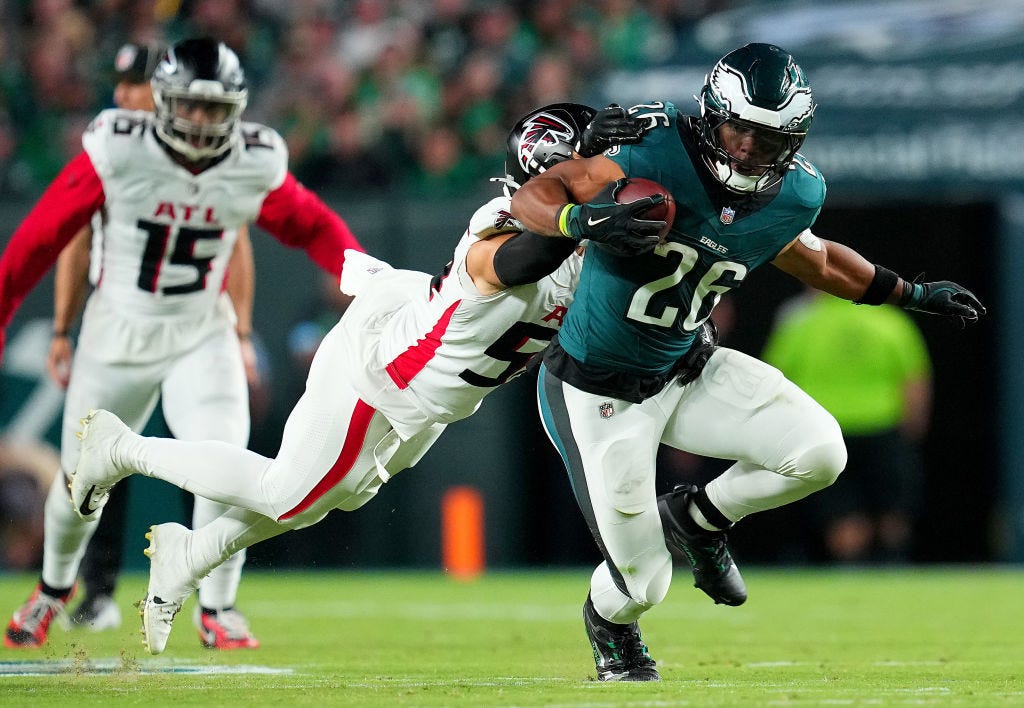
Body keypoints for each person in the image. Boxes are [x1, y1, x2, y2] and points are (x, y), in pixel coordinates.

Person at [65, 102, 643, 656]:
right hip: (385, 372)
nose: (603, 180)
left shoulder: (583, 249)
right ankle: (120, 449)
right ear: (552, 169)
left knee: (327, 497)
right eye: (587, 168)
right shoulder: (506, 227)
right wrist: (587, 219)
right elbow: (522, 261)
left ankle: (186, 558)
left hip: (426, 385)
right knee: (286, 492)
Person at [507, 42, 985, 681]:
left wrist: (911, 292)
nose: (746, 151)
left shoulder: (795, 193)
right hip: (598, 387)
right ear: (710, 116)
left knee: (820, 452)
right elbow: (534, 195)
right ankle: (611, 626)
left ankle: (697, 518)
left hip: (687, 366)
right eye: (737, 131)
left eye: (766, 139)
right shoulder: (651, 149)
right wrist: (580, 220)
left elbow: (815, 261)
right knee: (645, 583)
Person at [0, 37, 366, 649]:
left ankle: (217, 607)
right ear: (164, 102)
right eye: (189, 107)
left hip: (203, 329)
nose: (200, 121)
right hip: (119, 326)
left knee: (226, 461)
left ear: (237, 109)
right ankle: (53, 588)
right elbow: (45, 235)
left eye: (214, 108)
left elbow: (311, 225)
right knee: (78, 479)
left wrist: (362, 275)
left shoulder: (252, 159)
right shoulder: (119, 147)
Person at [762, 289, 933, 563]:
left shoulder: (803, 323)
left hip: (825, 431)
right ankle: (894, 566)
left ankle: (851, 573)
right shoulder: (889, 320)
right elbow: (914, 378)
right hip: (883, 427)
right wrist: (914, 426)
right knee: (892, 511)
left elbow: (776, 380)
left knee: (841, 515)